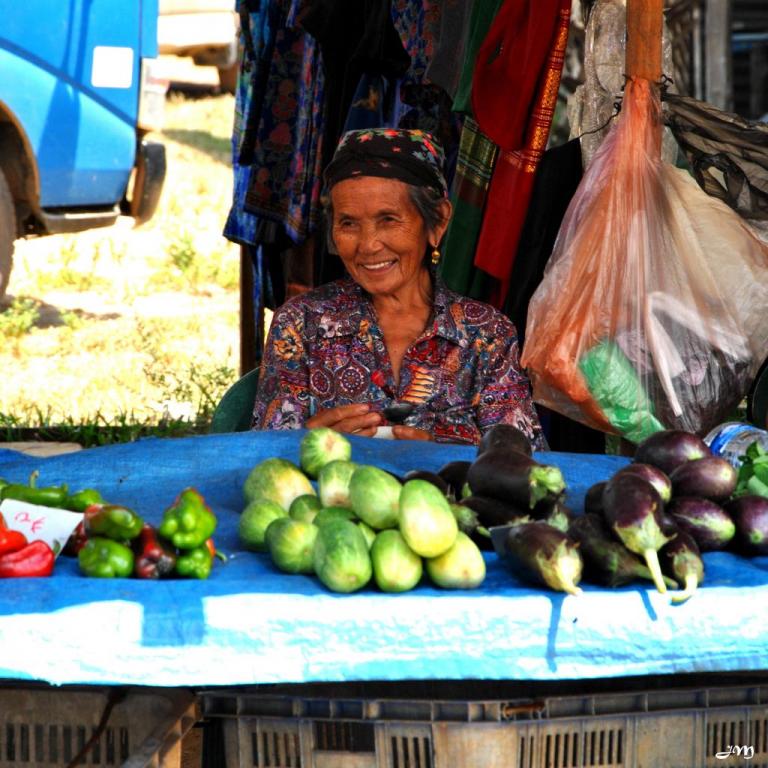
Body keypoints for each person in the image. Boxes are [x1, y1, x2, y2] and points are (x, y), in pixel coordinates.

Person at [252, 127, 546, 448]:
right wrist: (306, 442)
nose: (368, 245)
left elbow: (525, 463)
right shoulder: (299, 324)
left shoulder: (486, 335)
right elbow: (262, 458)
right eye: (348, 223)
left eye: (388, 219)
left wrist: (442, 455)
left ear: (437, 222)